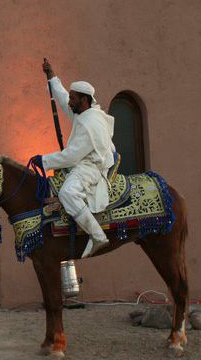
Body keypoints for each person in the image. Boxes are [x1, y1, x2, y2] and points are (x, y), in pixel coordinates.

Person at [31, 58, 116, 258]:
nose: (69, 102)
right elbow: (61, 97)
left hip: (91, 166)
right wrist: (52, 76)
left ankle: (97, 236)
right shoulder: (84, 111)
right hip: (83, 159)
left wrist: (43, 160)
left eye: (72, 98)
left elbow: (71, 156)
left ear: (83, 100)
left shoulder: (90, 124)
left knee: (68, 192)